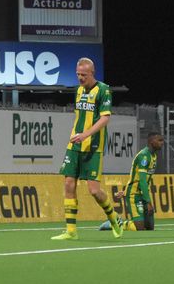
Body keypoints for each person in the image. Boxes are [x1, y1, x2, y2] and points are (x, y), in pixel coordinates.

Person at [52, 57, 122, 240]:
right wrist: (78, 135)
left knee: (94, 191)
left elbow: (105, 118)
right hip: (74, 144)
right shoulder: (78, 91)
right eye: (78, 74)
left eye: (83, 75)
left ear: (92, 73)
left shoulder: (104, 90)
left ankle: (113, 217)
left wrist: (86, 135)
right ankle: (71, 231)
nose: (80, 78)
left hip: (93, 146)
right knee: (68, 183)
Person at [99, 132, 164, 232]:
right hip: (134, 195)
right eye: (159, 140)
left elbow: (140, 179)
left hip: (143, 193)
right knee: (139, 228)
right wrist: (148, 202)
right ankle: (116, 222)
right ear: (151, 141)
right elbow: (142, 181)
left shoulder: (153, 156)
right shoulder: (144, 156)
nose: (162, 143)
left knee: (150, 227)